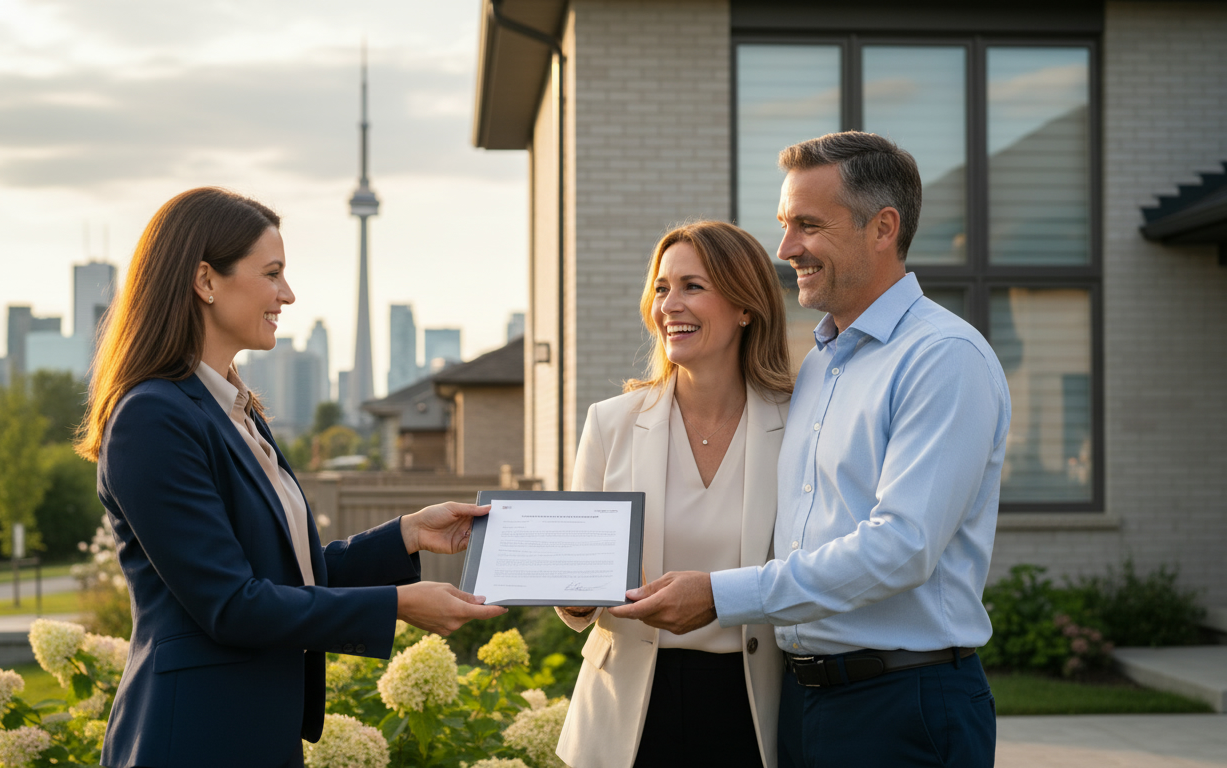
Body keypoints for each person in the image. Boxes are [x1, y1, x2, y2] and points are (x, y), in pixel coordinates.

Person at [609, 132, 1011, 767]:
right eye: (784, 225)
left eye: (808, 225)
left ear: (883, 228)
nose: (786, 248)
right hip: (802, 704)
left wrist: (719, 595)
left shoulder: (942, 358)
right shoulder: (822, 365)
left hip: (902, 704)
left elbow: (902, 547)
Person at [74, 187, 506, 768]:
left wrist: (406, 535)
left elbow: (285, 576)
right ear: (205, 280)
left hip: (257, 733)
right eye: (272, 273)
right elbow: (232, 604)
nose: (288, 294)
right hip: (195, 739)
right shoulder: (152, 418)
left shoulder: (238, 412)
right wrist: (396, 604)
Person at [554, 221, 794, 768]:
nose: (669, 305)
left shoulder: (799, 422)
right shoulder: (610, 423)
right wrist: (574, 596)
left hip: (754, 706)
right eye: (661, 288)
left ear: (745, 307)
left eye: (692, 286)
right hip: (626, 710)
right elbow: (577, 588)